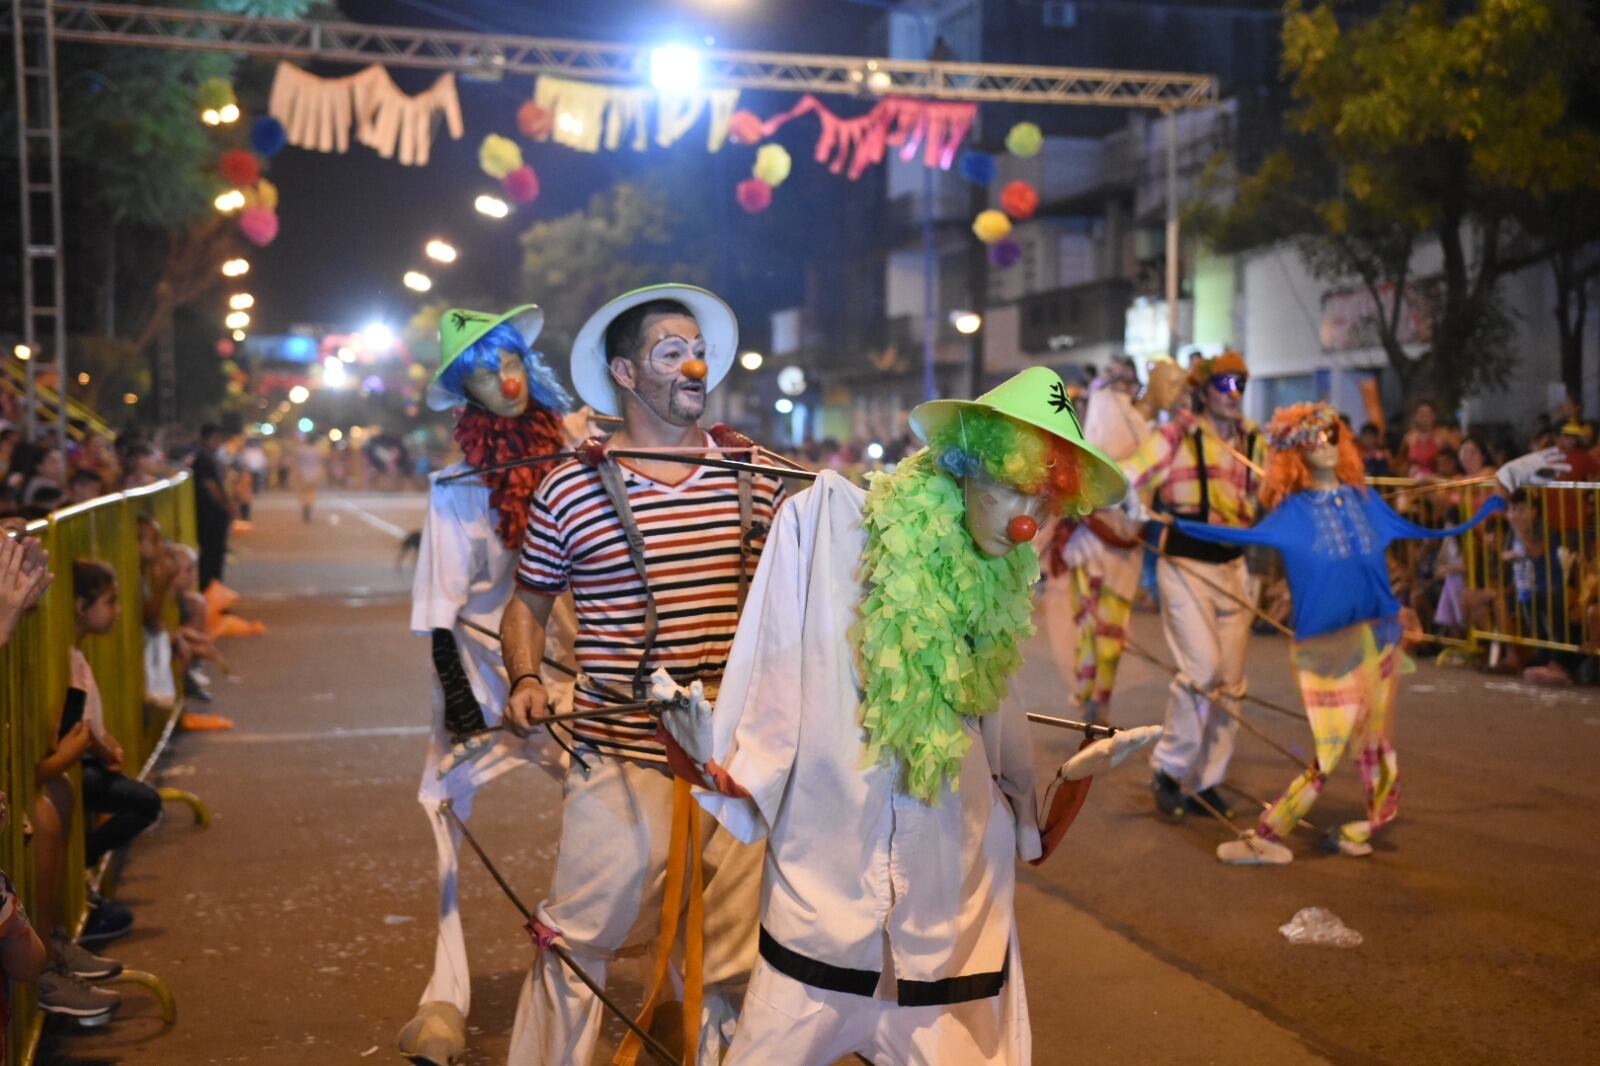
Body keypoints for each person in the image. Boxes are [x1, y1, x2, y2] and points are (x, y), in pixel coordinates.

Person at [654, 367, 1158, 1063]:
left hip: (947, 896)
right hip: (827, 886)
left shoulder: (1000, 576)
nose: (1027, 522)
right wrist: (736, 764)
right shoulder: (831, 528)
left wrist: (1053, 792)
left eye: (1045, 504)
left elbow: (998, 725)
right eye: (1014, 489)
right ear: (965, 465)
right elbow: (774, 666)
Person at [501, 284, 784, 1064]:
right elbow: (526, 605)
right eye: (671, 350)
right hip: (623, 747)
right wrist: (525, 679)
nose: (695, 364)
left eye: (698, 349)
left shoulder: (752, 472)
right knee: (581, 933)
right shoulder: (570, 486)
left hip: (734, 753)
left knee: (733, 954)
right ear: (626, 374)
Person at [1169, 404, 1561, 862]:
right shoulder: (1292, 513)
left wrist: (1502, 485)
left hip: (1379, 638)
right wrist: (1158, 520)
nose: (1327, 445)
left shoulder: (1363, 500)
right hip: (1325, 648)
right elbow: (1236, 537)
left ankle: (1363, 828)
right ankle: (1266, 835)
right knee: (1331, 752)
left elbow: (1438, 527)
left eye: (1333, 434)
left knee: (1376, 747)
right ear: (1295, 452)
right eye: (1313, 438)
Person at [397, 305, 581, 1065]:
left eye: (508, 361)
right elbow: (439, 613)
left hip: (573, 666)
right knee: (440, 802)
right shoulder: (456, 486)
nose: (504, 379)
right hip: (477, 672)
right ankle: (443, 997)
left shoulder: (575, 446)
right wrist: (467, 715)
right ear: (462, 389)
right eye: (482, 370)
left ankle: (662, 978)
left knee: (632, 798)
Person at [1120, 350, 1265, 819]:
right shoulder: (1176, 436)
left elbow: (1278, 494)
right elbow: (1126, 477)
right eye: (1224, 385)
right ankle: (1168, 768)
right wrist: (1136, 509)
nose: (1234, 394)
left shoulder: (1255, 442)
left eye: (1240, 384)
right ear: (1205, 391)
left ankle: (1205, 781)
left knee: (1231, 684)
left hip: (1235, 568)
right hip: (1186, 565)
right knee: (1202, 672)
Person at [1050, 357, 1186, 721]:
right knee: (1091, 626)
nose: (1178, 392)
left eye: (1182, 384)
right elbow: (1100, 471)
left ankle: (1100, 702)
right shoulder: (1111, 409)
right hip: (1094, 540)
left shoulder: (1162, 431)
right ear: (1153, 383)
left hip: (1127, 545)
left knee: (1112, 633)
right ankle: (1092, 701)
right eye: (1171, 383)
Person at [190, 426, 235, 591]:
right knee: (212, 557)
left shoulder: (208, 457)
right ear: (206, 439)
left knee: (213, 556)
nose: (218, 442)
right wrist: (227, 505)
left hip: (212, 515)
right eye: (215, 438)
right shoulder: (203, 459)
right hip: (210, 516)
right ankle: (211, 594)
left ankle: (214, 594)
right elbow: (211, 487)